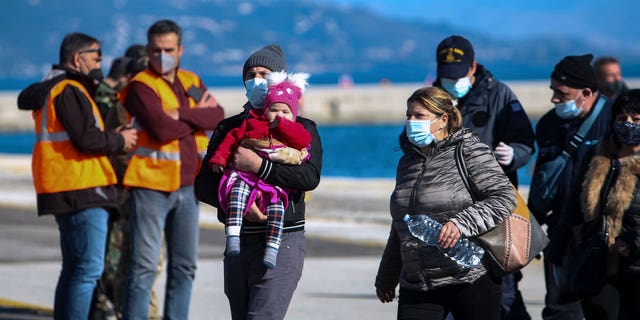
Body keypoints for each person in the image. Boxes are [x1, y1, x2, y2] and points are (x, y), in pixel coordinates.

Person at [194, 44, 323, 319]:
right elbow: (203, 184)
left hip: (283, 238)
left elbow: (309, 177)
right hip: (238, 240)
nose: (257, 80)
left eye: (265, 73)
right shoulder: (229, 128)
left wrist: (260, 166)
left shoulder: (304, 128)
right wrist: (234, 202)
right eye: (251, 74)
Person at [16, 32, 138, 319]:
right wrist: (119, 141)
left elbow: (83, 135)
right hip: (81, 188)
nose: (100, 63)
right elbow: (86, 139)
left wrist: (108, 136)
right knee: (87, 270)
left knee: (74, 268)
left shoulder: (60, 88)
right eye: (96, 57)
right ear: (77, 58)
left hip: (66, 186)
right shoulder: (69, 89)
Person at [375, 86, 516, 320]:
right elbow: (401, 223)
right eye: (408, 115)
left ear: (443, 119)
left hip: (469, 276)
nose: (411, 121)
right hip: (418, 285)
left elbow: (503, 196)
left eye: (419, 116)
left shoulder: (469, 151)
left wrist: (461, 224)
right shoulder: (407, 162)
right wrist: (387, 277)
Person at [121, 19, 224, 320]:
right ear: (147, 50)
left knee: (185, 267)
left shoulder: (191, 79)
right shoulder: (140, 85)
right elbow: (160, 128)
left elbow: (216, 115)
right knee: (144, 267)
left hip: (189, 186)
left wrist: (180, 112)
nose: (161, 56)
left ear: (180, 50)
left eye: (168, 49)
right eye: (155, 50)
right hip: (151, 185)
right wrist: (196, 116)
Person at [432, 35, 536, 319]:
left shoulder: (499, 94)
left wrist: (513, 155)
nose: (452, 81)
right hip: (449, 211)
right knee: (456, 287)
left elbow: (525, 139)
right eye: (446, 75)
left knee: (503, 287)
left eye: (458, 74)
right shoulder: (435, 98)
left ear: (473, 66)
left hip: (495, 211)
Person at [530, 53, 613, 320]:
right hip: (560, 234)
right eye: (553, 91)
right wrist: (531, 231)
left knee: (604, 308)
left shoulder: (614, 120)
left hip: (602, 234)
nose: (554, 99)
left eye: (562, 93)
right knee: (559, 310)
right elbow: (542, 179)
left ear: (586, 92)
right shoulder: (548, 125)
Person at [209, 71, 312, 269]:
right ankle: (232, 237)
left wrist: (283, 126)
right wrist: (219, 158)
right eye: (274, 110)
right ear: (266, 110)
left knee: (276, 210)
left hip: (272, 188)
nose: (279, 115)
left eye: (285, 112)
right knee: (237, 196)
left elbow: (306, 160)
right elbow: (231, 139)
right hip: (244, 177)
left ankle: (272, 249)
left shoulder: (301, 128)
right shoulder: (249, 124)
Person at [575, 88, 640, 319]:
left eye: (636, 119)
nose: (629, 124)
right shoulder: (598, 157)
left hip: (635, 266)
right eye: (622, 119)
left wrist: (632, 242)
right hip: (600, 264)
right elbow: (574, 206)